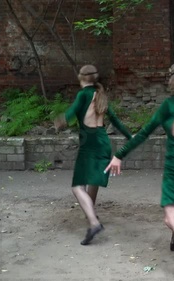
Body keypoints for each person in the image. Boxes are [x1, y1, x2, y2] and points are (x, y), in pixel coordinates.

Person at [104, 62, 174, 281]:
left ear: (172, 80)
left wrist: (119, 155)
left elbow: (143, 133)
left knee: (171, 217)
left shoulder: (170, 105)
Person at [54, 64, 133, 245]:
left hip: (88, 143)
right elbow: (116, 121)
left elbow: (71, 114)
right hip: (103, 141)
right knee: (93, 181)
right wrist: (131, 137)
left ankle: (94, 222)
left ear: (81, 78)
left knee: (77, 186)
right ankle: (91, 213)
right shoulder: (101, 96)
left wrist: (60, 121)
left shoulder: (83, 95)